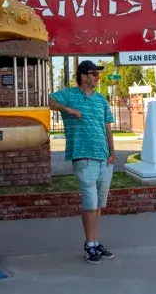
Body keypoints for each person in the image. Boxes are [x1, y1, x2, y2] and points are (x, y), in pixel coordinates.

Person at [49, 60, 116, 264]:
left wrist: (112, 152)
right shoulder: (69, 95)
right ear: (83, 76)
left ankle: (96, 242)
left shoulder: (101, 100)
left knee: (98, 206)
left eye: (98, 74)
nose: (97, 77)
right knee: (90, 203)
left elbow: (108, 127)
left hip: (104, 159)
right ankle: (89, 244)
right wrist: (68, 110)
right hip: (83, 157)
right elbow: (47, 101)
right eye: (94, 74)